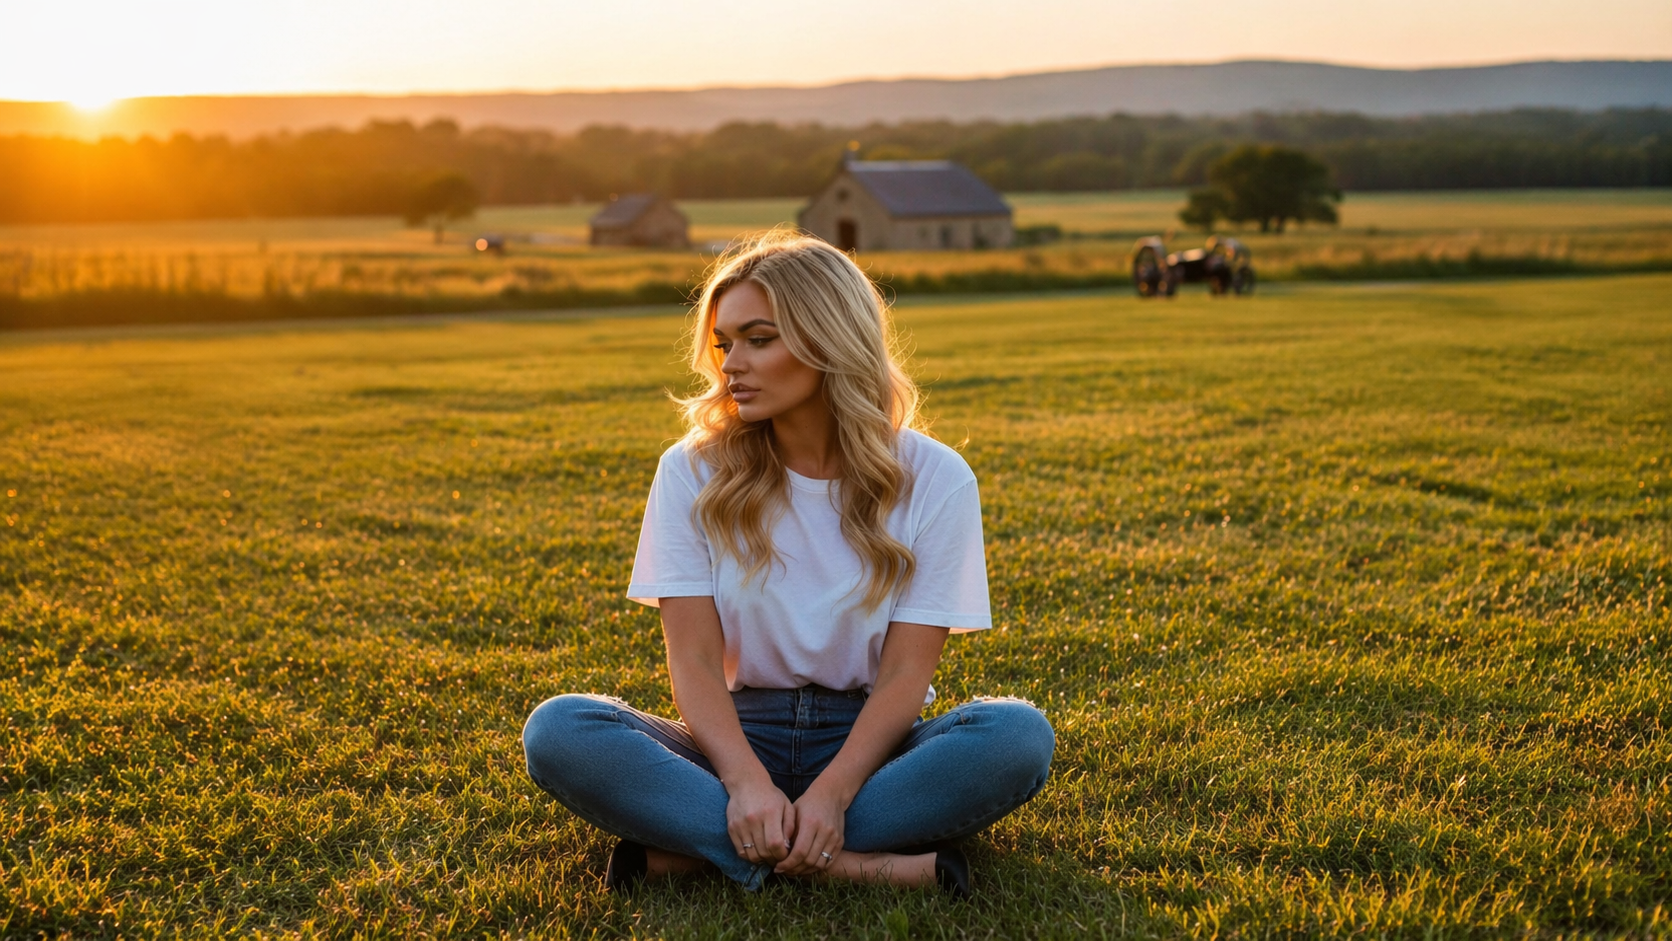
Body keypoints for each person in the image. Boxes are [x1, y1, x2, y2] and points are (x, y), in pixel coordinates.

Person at [522, 231, 1054, 896]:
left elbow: (905, 673)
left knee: (1017, 734)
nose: (731, 365)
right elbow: (690, 659)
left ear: (828, 339)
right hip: (734, 741)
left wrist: (833, 792)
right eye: (723, 343)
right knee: (560, 728)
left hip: (871, 743)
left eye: (759, 339)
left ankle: (709, 851)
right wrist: (743, 780)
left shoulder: (936, 476)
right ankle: (854, 864)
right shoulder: (692, 470)